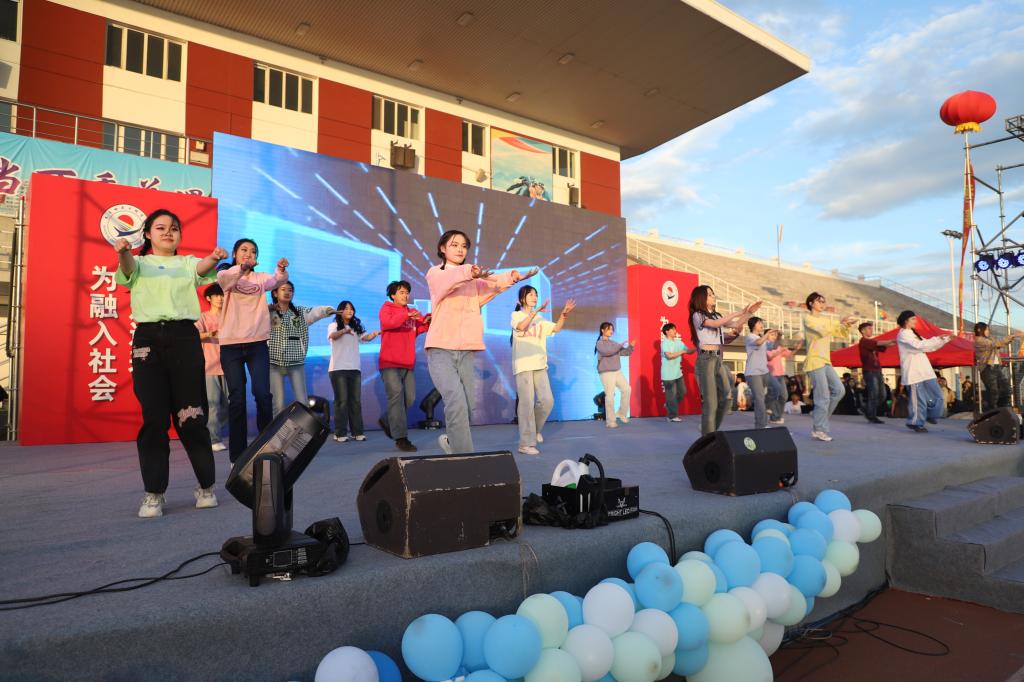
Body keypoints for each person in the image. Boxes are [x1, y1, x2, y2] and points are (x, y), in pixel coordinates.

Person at [114, 208, 226, 518]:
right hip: (147, 341)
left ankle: (206, 487)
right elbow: (127, 268)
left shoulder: (187, 263)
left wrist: (214, 257)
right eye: (160, 227)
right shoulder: (140, 263)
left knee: (191, 416)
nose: (168, 232)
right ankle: (154, 493)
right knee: (154, 419)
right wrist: (123, 252)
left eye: (174, 228)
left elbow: (202, 267)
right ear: (147, 234)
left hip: (184, 338)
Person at [425, 229, 537, 454]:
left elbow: (491, 285)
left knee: (467, 406)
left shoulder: (472, 281)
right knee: (455, 402)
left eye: (464, 246)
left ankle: (453, 442)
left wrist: (513, 277)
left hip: (466, 350)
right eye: (454, 245)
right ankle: (464, 458)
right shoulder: (436, 273)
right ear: (442, 248)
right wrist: (470, 271)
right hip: (440, 349)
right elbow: (449, 280)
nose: (460, 249)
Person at [216, 238, 289, 463]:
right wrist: (241, 268)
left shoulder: (260, 278)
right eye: (244, 250)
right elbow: (224, 280)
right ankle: (237, 456)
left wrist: (280, 269)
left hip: (257, 344)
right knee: (237, 399)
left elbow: (278, 280)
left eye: (253, 251)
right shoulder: (227, 274)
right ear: (235, 254)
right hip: (230, 345)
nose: (249, 254)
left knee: (263, 396)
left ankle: (266, 448)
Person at [688, 284, 761, 435]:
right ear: (701, 298)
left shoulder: (716, 315)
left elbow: (736, 325)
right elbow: (716, 324)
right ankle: (708, 436)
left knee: (726, 398)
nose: (713, 296)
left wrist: (749, 313)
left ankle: (709, 429)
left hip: (717, 359)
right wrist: (738, 312)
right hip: (705, 359)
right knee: (711, 403)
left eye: (713, 293)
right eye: (709, 294)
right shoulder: (698, 315)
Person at [511, 286, 575, 454]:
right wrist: (534, 313)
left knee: (547, 401)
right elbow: (521, 327)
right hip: (523, 365)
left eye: (536, 294)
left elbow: (556, 328)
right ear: (522, 299)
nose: (534, 297)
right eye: (531, 294)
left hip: (539, 365)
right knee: (526, 403)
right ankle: (525, 444)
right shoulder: (516, 315)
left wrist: (563, 315)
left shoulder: (539, 318)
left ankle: (535, 430)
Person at [377, 280, 431, 453]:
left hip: (407, 363)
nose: (405, 295)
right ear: (393, 295)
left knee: (410, 399)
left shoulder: (411, 312)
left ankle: (387, 420)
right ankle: (401, 438)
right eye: (401, 292)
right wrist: (406, 316)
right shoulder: (387, 308)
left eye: (407, 292)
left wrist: (427, 321)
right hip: (389, 362)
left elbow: (419, 328)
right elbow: (389, 323)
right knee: (396, 397)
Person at [268, 281, 335, 416]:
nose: (287, 292)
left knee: (302, 402)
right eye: (283, 289)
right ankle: (278, 429)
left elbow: (314, 312)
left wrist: (326, 310)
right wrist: (266, 309)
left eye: (290, 290)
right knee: (278, 404)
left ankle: (302, 429)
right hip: (274, 364)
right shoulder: (268, 313)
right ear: (275, 293)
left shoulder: (299, 312)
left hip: (296, 363)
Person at [802, 291, 858, 442]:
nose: (822, 304)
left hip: (826, 361)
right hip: (814, 361)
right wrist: (839, 322)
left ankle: (819, 418)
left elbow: (841, 333)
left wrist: (846, 325)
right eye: (819, 301)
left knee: (839, 390)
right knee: (823, 397)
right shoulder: (808, 319)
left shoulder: (826, 320)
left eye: (823, 301)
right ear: (811, 303)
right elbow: (821, 330)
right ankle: (819, 429)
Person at [327, 301, 380, 442]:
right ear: (340, 311)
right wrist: (344, 331)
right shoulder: (333, 325)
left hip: (355, 368)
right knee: (342, 401)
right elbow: (333, 336)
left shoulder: (355, 327)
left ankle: (357, 432)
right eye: (346, 308)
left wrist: (374, 334)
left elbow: (365, 338)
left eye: (351, 309)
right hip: (338, 368)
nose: (349, 311)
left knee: (355, 401)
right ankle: (340, 433)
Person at [896, 310, 951, 432]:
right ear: (906, 320)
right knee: (918, 400)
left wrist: (943, 339)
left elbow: (929, 346)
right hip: (913, 373)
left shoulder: (913, 334)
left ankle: (931, 414)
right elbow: (920, 345)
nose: (915, 321)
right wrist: (938, 339)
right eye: (913, 319)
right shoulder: (903, 335)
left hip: (925, 371)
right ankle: (915, 423)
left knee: (938, 395)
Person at [196, 283, 227, 452]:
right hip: (210, 366)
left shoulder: (230, 316)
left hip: (230, 366)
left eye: (222, 295)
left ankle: (210, 430)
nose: (220, 298)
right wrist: (210, 334)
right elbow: (194, 335)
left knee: (231, 404)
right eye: (216, 295)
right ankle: (214, 438)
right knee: (213, 404)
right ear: (208, 298)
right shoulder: (203, 317)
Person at [973, 322, 1022, 412]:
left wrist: (1011, 338)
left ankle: (1003, 409)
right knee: (994, 392)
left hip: (996, 367)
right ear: (979, 330)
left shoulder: (989, 339)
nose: (988, 331)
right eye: (986, 329)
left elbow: (1000, 343)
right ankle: (992, 411)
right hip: (987, 368)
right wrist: (1013, 335)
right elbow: (996, 343)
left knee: (1006, 389)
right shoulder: (979, 340)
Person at [595, 322, 634, 428]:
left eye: (612, 329)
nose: (611, 331)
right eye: (609, 329)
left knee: (627, 389)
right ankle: (610, 421)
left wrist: (631, 346)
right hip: (606, 372)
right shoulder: (599, 343)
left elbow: (625, 353)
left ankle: (621, 413)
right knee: (610, 395)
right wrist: (619, 345)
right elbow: (608, 351)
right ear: (602, 330)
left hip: (617, 371)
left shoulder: (614, 343)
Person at [744, 317, 778, 429]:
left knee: (776, 388)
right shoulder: (750, 337)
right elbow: (758, 343)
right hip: (753, 373)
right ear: (753, 325)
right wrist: (767, 334)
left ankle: (766, 406)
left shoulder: (761, 338)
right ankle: (760, 425)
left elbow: (772, 346)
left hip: (764, 371)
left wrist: (776, 337)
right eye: (759, 323)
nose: (762, 325)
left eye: (762, 323)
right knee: (759, 399)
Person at [857, 322, 895, 424]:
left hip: (877, 370)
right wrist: (892, 340)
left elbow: (883, 346)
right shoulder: (864, 341)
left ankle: (866, 409)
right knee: (874, 394)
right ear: (863, 331)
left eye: (871, 328)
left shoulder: (871, 342)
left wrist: (897, 342)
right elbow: (879, 343)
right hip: (869, 371)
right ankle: (872, 416)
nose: (871, 330)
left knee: (882, 395)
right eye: (869, 328)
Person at [660, 322, 695, 422]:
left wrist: (697, 348)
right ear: (667, 332)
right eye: (673, 329)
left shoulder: (679, 343)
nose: (675, 331)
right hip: (668, 375)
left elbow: (688, 351)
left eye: (675, 329)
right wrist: (682, 352)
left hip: (678, 373)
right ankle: (672, 416)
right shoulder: (665, 343)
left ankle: (669, 404)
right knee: (671, 395)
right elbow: (669, 356)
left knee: (682, 392)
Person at [767, 338, 801, 424]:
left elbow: (789, 354)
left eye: (775, 335)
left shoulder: (779, 347)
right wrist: (779, 350)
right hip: (770, 375)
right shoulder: (765, 346)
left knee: (784, 396)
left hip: (780, 375)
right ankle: (774, 417)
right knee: (774, 395)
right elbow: (769, 357)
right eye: (772, 334)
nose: (774, 337)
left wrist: (796, 349)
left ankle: (777, 416)